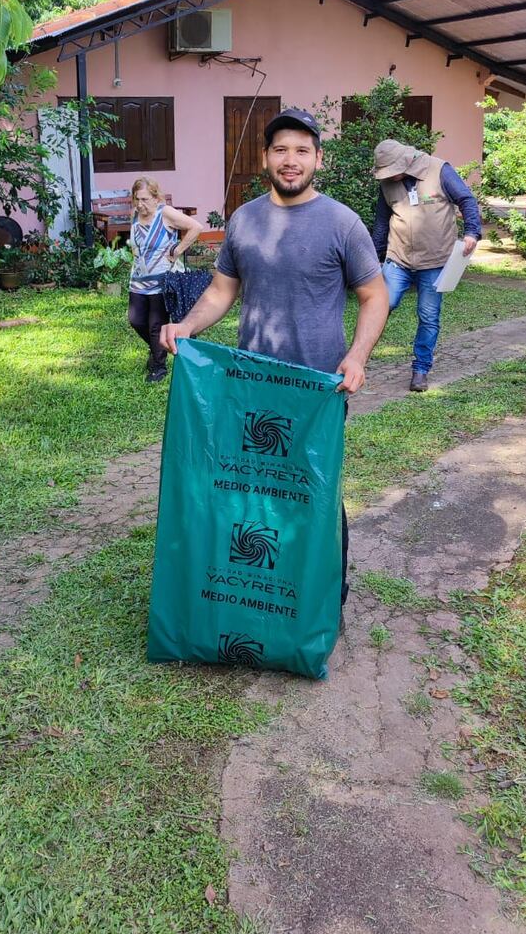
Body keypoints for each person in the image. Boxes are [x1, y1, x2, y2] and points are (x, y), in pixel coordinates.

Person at [161, 107, 388, 612]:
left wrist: (356, 356)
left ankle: (325, 595)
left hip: (317, 390)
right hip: (251, 386)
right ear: (265, 157)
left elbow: (375, 295)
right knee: (253, 488)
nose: (291, 160)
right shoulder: (244, 220)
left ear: (318, 160)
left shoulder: (342, 223)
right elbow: (222, 291)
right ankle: (261, 592)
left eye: (301, 151)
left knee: (315, 491)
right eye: (281, 150)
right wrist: (186, 326)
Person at [371, 139, 482, 392]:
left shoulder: (439, 169)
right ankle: (357, 358)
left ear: (404, 162)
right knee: (380, 305)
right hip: (398, 258)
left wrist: (472, 232)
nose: (389, 176)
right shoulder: (387, 184)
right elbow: (381, 223)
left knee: (428, 316)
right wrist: (372, 259)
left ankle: (420, 370)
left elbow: (466, 199)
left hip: (435, 260)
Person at [128, 178, 203, 382]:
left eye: (144, 199)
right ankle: (156, 348)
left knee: (155, 324)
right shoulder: (135, 214)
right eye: (136, 199)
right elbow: (135, 243)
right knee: (135, 320)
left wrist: (177, 250)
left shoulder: (165, 213)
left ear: (155, 197)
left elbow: (196, 227)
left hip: (162, 280)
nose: (140, 204)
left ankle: (158, 367)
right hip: (138, 280)